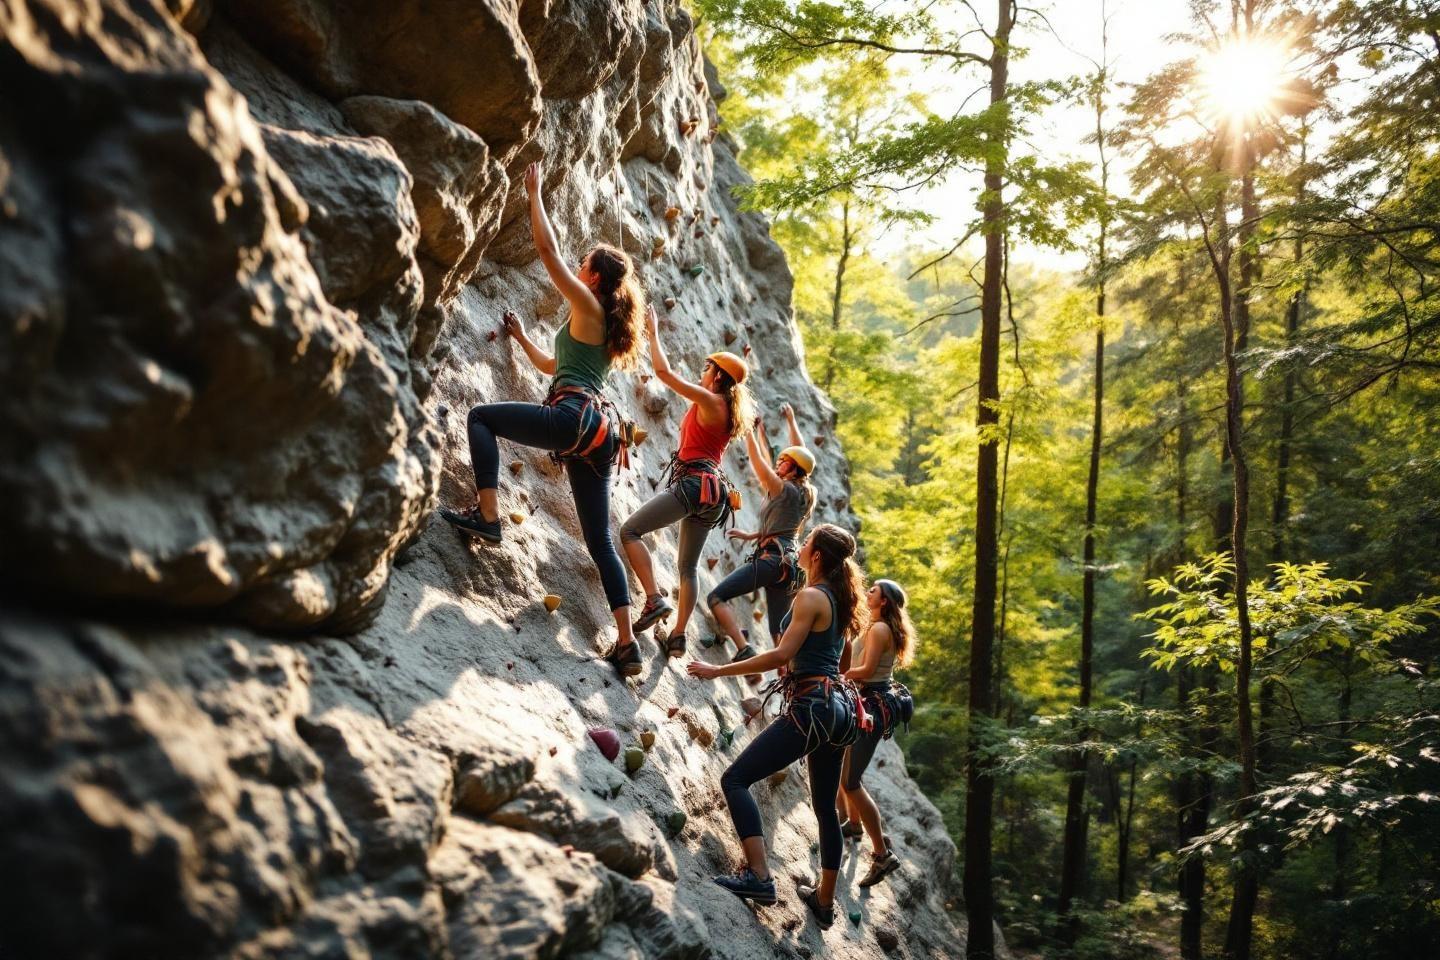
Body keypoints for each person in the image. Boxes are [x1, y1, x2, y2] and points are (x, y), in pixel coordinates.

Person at [439, 160, 644, 676]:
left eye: (585, 262)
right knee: (599, 539)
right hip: (596, 432)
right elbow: (554, 367)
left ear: (594, 277)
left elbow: (548, 253)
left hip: (573, 419)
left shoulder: (591, 305)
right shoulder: (596, 324)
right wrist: (520, 336)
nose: (577, 265)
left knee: (481, 418)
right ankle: (626, 643)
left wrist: (534, 194)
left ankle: (487, 518)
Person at [687, 524, 868, 930]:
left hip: (813, 708)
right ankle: (824, 903)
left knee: (735, 779)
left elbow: (781, 653)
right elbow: (842, 663)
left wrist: (720, 669)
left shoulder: (811, 596)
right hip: (838, 711)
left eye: (807, 543)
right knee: (825, 808)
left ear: (817, 555)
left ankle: (759, 877)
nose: (801, 547)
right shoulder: (842, 600)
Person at [619, 305, 754, 656]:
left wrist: (653, 332)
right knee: (689, 567)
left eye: (708, 367)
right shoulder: (723, 408)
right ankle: (678, 636)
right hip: (716, 494)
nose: (702, 370)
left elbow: (662, 372)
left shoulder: (711, 400)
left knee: (630, 531)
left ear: (719, 377)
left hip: (696, 484)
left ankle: (653, 599)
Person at [707, 402, 816, 684]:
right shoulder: (804, 492)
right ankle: (791, 679)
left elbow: (760, 463)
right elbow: (802, 457)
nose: (778, 463)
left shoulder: (781, 488)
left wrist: (750, 433)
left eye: (784, 461)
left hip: (771, 561)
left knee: (716, 597)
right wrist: (789, 422)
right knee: (779, 630)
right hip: (789, 565)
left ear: (792, 469)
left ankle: (744, 651)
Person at [837, 578, 917, 888]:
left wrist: (839, 673)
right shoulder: (878, 625)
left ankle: (883, 854)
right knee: (848, 767)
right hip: (867, 702)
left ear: (883, 601)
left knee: (850, 781)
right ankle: (854, 826)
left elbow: (868, 670)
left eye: (874, 591)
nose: (868, 591)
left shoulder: (881, 629)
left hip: (870, 705)